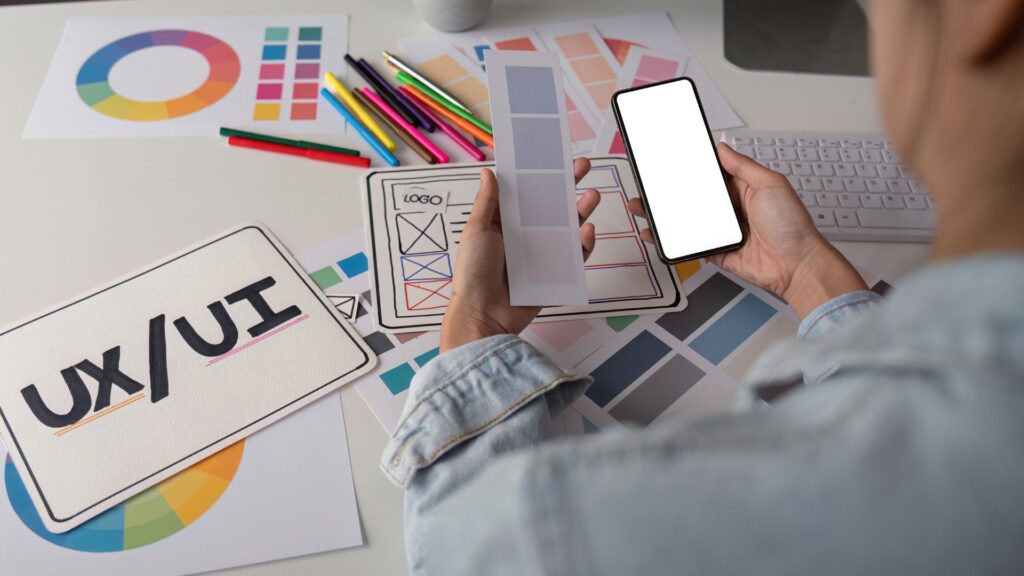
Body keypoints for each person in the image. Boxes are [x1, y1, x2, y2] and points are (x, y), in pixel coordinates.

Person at [380, 1, 1024, 573]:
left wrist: (474, 331)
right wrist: (807, 274)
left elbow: (470, 542)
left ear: (983, 12)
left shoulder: (595, 522)